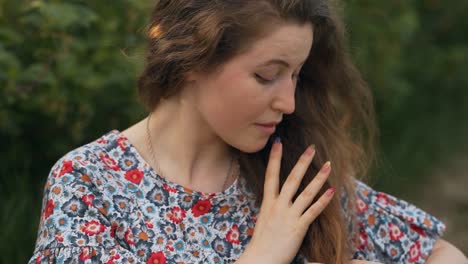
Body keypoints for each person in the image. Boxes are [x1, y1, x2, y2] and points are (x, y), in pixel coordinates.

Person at [29, 0, 467, 263]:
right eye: (266, 75)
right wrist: (262, 256)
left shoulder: (290, 175)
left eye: (296, 75)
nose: (289, 103)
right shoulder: (89, 185)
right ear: (193, 58)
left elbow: (439, 253)